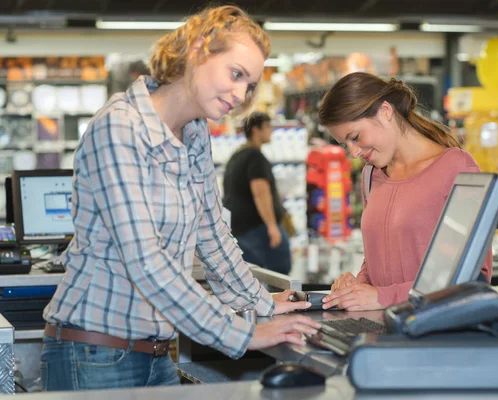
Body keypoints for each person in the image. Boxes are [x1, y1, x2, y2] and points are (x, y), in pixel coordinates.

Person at [40, 5, 318, 392]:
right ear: (199, 49)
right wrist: (244, 334)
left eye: (250, 85)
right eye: (236, 74)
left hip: (154, 353)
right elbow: (145, 261)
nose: (240, 95)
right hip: (94, 353)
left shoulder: (194, 133)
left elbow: (211, 232)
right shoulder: (120, 128)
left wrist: (262, 302)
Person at [318, 72, 492, 312]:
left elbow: (473, 277)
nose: (354, 152)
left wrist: (383, 297)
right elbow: (378, 259)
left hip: (435, 337)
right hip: (385, 331)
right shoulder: (371, 175)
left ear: (385, 111)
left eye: (355, 137)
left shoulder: (457, 168)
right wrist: (357, 287)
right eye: (345, 144)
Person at [223, 112, 292, 274]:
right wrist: (272, 227)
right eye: (267, 127)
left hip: (239, 228)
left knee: (252, 276)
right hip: (256, 229)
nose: (271, 131)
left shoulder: (237, 156)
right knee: (279, 275)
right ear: (255, 130)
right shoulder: (255, 156)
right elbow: (260, 193)